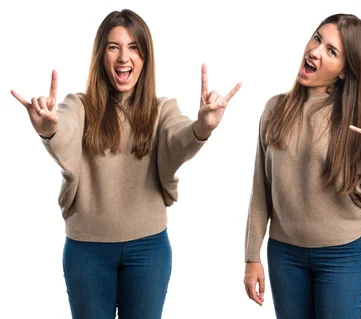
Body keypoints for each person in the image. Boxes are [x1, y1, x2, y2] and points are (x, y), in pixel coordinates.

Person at [10, 9, 241, 319]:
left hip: (149, 250)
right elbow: (64, 129)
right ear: (100, 55)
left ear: (144, 58)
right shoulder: (78, 105)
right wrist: (48, 129)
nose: (123, 57)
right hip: (87, 250)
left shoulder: (162, 109)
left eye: (133, 47)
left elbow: (179, 136)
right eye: (113, 46)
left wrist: (203, 126)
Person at [242, 13, 361, 319]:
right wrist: (252, 256)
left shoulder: (358, 117)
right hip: (284, 254)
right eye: (317, 38)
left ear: (344, 71)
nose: (315, 51)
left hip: (343, 254)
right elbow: (261, 188)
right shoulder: (275, 109)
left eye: (331, 51)